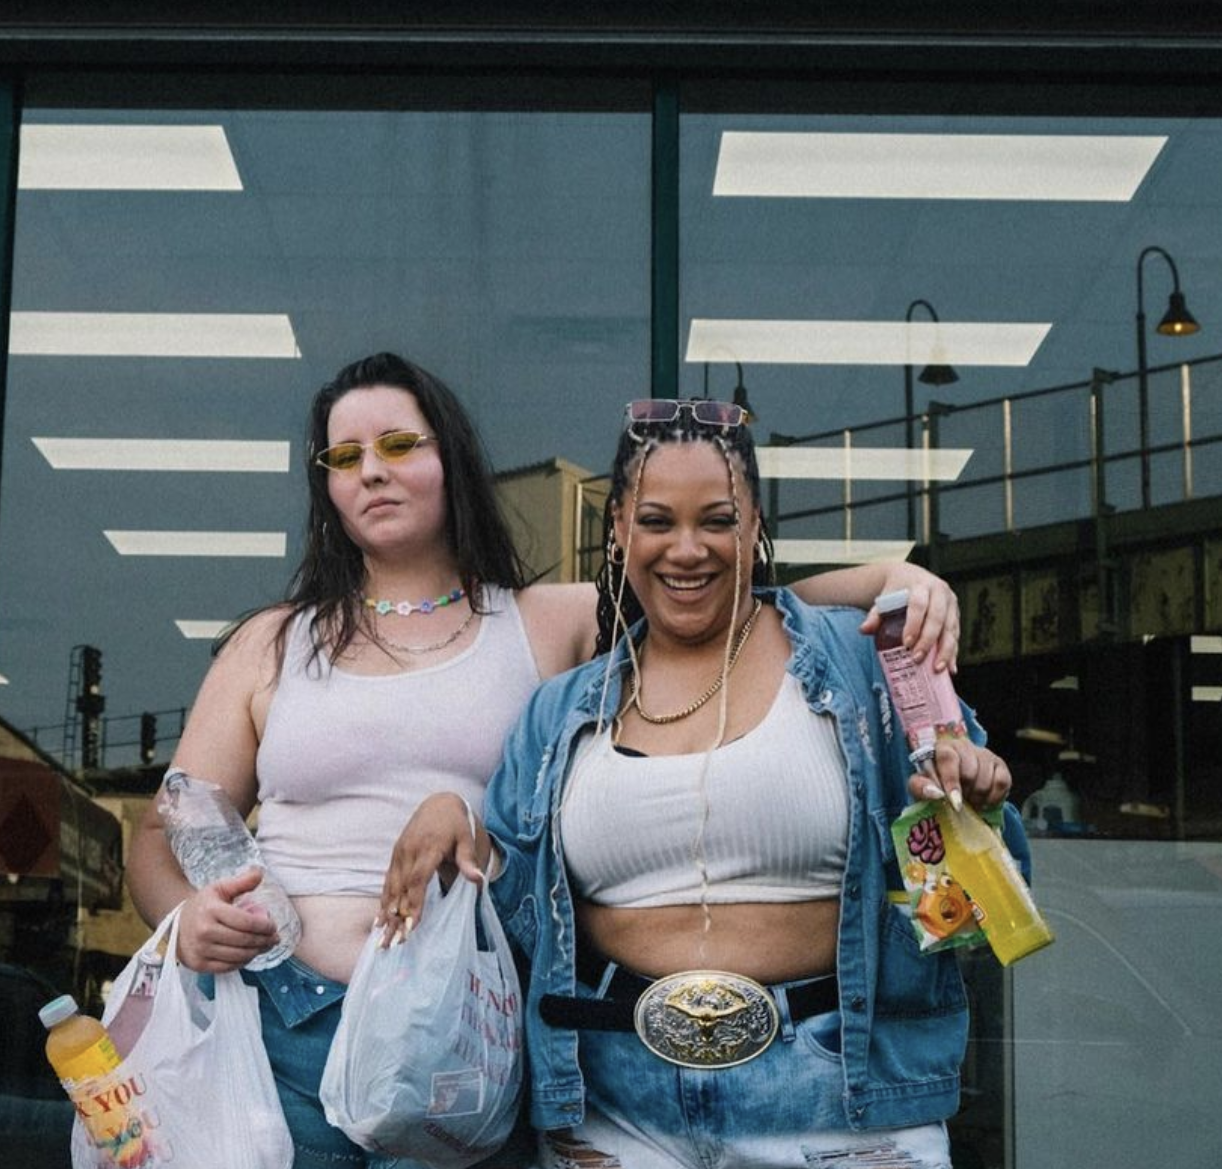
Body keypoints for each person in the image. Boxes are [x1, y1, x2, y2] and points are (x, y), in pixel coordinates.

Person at [126, 357, 966, 1169]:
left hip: (464, 1045)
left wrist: (885, 579)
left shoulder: (547, 621)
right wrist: (186, 922)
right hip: (287, 1019)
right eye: (345, 457)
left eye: (399, 445)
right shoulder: (271, 641)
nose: (371, 471)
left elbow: (713, 605)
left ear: (451, 458)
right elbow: (161, 837)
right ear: (326, 485)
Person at [384, 397, 1020, 1169]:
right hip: (615, 1113)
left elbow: (971, 923)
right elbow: (517, 933)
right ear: (617, 528)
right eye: (657, 521)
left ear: (754, 526)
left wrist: (971, 814)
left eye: (716, 520)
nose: (686, 549)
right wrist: (458, 820)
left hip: (843, 1106)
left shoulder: (865, 673)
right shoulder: (560, 714)